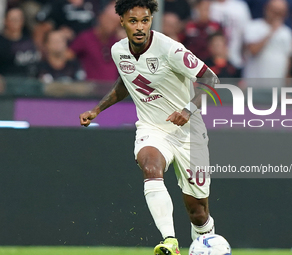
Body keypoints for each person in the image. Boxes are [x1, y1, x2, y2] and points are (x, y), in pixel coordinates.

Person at [79, 0, 219, 254]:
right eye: (133, 21)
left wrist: (188, 110)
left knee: (198, 213)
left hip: (189, 132)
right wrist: (97, 109)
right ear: (121, 21)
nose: (140, 27)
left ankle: (207, 244)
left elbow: (210, 78)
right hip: (152, 128)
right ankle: (170, 242)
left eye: (145, 20)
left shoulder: (169, 49)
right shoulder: (118, 51)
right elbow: (126, 83)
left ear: (151, 21)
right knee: (150, 165)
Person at [242, 0, 292, 82]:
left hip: (276, 86)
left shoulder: (287, 32)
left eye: (280, 12)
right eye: (274, 11)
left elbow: (288, 59)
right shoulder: (253, 26)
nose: (277, 15)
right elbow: (253, 50)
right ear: (267, 9)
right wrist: (271, 31)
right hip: (254, 83)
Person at [68, 2, 120, 82]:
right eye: (110, 21)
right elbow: (67, 57)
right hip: (90, 90)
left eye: (115, 23)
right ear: (101, 17)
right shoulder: (85, 38)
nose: (111, 26)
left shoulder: (117, 42)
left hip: (112, 90)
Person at [209, 0, 252, 68]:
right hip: (212, 62)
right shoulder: (208, 6)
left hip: (236, 60)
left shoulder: (240, 6)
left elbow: (247, 35)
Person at [0, 7, 40, 77]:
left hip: (32, 80)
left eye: (19, 19)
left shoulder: (29, 38)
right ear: (5, 21)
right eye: (13, 19)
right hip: (9, 82)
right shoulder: (2, 42)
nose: (16, 22)